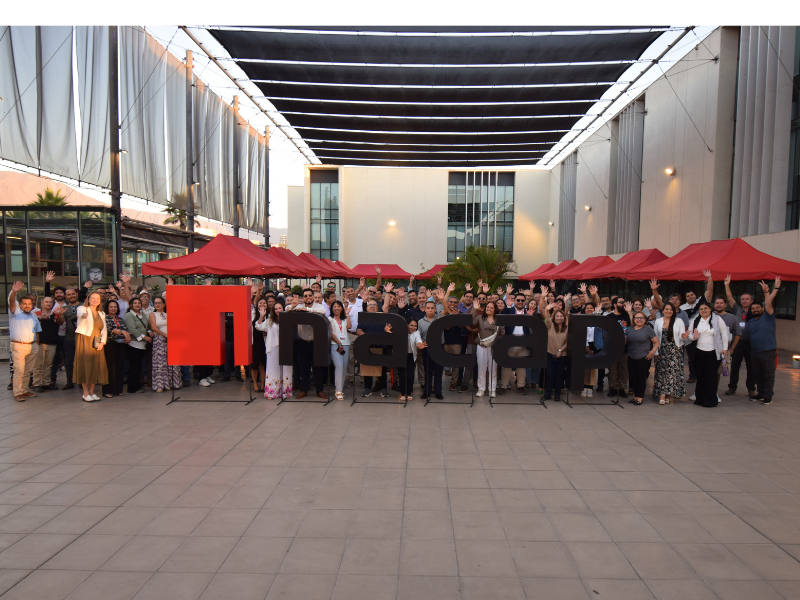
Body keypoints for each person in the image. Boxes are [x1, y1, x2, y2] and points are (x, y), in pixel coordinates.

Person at [683, 303, 728, 408]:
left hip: (713, 352)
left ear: (710, 309)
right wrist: (693, 337)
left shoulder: (717, 320)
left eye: (705, 308)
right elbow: (688, 334)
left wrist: (725, 348)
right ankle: (700, 399)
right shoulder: (695, 320)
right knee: (701, 376)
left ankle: (710, 400)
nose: (703, 310)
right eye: (701, 309)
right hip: (698, 352)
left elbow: (724, 333)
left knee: (711, 376)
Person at [286, 288, 328, 400]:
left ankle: (319, 391)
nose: (308, 297)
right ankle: (304, 390)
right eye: (305, 296)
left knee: (317, 367)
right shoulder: (298, 307)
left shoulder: (318, 307)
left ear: (313, 297)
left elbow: (323, 311)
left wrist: (308, 311)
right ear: (302, 298)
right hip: (303, 342)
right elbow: (286, 310)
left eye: (310, 295)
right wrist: (292, 306)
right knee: (304, 368)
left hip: (316, 342)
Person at [418, 282, 456, 400]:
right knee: (427, 371)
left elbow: (446, 309)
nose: (430, 310)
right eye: (428, 308)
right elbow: (418, 336)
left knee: (438, 371)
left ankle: (438, 392)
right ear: (425, 309)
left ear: (435, 309)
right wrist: (420, 342)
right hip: (426, 348)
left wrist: (442, 299)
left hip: (439, 348)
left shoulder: (439, 317)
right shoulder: (420, 322)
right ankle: (427, 391)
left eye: (432, 308)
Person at [678, 270, 715, 383]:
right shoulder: (682, 308)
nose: (690, 297)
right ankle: (693, 375)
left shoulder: (701, 302)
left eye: (692, 295)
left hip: (704, 333)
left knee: (701, 355)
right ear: (685, 298)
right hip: (689, 335)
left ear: (695, 295)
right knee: (691, 356)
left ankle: (701, 374)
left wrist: (709, 278)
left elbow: (709, 291)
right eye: (688, 296)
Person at [748, 279, 780, 405]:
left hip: (768, 351)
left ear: (762, 308)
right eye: (753, 308)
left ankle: (768, 396)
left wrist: (767, 291)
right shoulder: (750, 322)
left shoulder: (768, 316)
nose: (755, 309)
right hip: (755, 352)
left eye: (757, 307)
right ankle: (760, 394)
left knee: (768, 374)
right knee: (758, 375)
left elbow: (768, 303)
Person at [8, 282, 41, 401]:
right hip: (18, 346)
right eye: (25, 304)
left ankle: (24, 390)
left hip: (32, 346)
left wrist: (36, 345)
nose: (27, 306)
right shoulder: (15, 312)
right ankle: (17, 393)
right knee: (19, 370)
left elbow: (37, 331)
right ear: (20, 305)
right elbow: (12, 302)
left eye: (29, 304)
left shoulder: (33, 316)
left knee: (27, 371)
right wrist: (14, 292)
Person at [723, 275, 756, 397]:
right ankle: (732, 387)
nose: (745, 301)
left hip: (751, 343)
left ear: (752, 301)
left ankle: (751, 388)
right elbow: (730, 298)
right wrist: (727, 285)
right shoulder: (737, 309)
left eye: (747, 299)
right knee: (735, 365)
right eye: (743, 299)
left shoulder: (756, 311)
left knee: (751, 367)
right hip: (738, 343)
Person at [74, 291, 108, 402]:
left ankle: (92, 392)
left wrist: (102, 342)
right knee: (85, 365)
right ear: (88, 299)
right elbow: (80, 314)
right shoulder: (82, 309)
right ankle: (85, 393)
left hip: (97, 340)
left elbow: (104, 330)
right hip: (85, 339)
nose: (95, 300)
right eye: (92, 298)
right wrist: (83, 315)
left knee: (95, 365)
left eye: (97, 298)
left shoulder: (102, 313)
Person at [256, 301, 293, 400]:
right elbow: (258, 326)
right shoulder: (269, 321)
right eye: (276, 309)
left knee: (286, 369)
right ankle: (272, 392)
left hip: (286, 348)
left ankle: (285, 392)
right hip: (273, 347)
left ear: (283, 308)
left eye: (280, 308)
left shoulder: (289, 320)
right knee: (273, 369)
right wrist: (261, 316)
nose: (278, 310)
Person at [652, 302, 687, 404]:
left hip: (674, 351)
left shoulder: (678, 321)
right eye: (666, 309)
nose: (669, 311)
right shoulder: (658, 321)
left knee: (672, 373)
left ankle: (665, 395)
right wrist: (655, 352)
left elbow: (680, 336)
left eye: (671, 309)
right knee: (662, 373)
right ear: (663, 311)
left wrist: (683, 337)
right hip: (661, 350)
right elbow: (655, 338)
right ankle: (665, 394)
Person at [498, 292, 531, 396]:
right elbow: (501, 319)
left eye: (522, 300)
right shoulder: (509, 310)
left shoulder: (529, 312)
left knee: (521, 367)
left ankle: (521, 386)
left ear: (525, 302)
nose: (520, 302)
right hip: (510, 344)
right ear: (514, 301)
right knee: (506, 366)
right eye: (518, 300)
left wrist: (531, 317)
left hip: (523, 344)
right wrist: (507, 306)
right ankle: (503, 386)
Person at [357, 298, 390, 397]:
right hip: (368, 347)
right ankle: (367, 388)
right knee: (367, 367)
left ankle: (383, 388)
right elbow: (358, 331)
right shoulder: (364, 318)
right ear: (367, 308)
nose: (372, 306)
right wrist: (368, 338)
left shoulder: (382, 317)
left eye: (374, 305)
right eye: (370, 305)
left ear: (377, 307)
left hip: (382, 346)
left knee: (383, 369)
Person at [472, 300, 504, 398]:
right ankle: (481, 389)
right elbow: (470, 322)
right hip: (482, 346)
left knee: (493, 369)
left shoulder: (499, 320)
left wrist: (498, 344)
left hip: (494, 348)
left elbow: (502, 333)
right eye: (487, 307)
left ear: (495, 310)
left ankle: (492, 390)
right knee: (481, 368)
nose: (488, 309)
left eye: (491, 307)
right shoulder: (480, 317)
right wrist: (474, 309)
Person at [625, 312, 659, 406]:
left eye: (641, 318)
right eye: (637, 318)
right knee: (633, 378)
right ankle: (636, 396)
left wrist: (652, 352)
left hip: (644, 357)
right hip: (631, 356)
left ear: (645, 319)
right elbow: (625, 341)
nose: (639, 320)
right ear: (634, 319)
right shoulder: (629, 329)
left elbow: (656, 342)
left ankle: (640, 397)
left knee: (641, 378)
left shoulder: (648, 329)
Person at [149, 297, 181, 392]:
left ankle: (171, 383)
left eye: (159, 303)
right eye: (155, 303)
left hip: (171, 339)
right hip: (159, 339)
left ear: (164, 304)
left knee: (172, 361)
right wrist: (165, 335)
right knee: (161, 362)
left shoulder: (168, 314)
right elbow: (153, 327)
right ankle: (160, 385)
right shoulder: (153, 314)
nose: (157, 305)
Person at [711, 293, 741, 394]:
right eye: (717, 303)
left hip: (723, 351)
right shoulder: (709, 316)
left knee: (717, 372)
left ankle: (714, 391)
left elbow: (737, 334)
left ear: (725, 305)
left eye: (721, 303)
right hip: (709, 349)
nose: (719, 305)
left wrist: (731, 348)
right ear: (714, 305)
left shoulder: (732, 318)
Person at [102, 299, 130, 398]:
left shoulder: (120, 319)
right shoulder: (105, 318)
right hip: (110, 345)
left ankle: (118, 389)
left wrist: (126, 335)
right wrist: (122, 332)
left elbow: (125, 330)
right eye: (111, 307)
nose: (113, 308)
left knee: (120, 367)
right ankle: (108, 390)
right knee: (110, 367)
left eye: (115, 307)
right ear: (107, 308)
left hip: (121, 345)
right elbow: (110, 330)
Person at [32, 297, 60, 393]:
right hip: (39, 343)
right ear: (42, 303)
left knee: (48, 364)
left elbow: (59, 324)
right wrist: (41, 319)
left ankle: (46, 383)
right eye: (46, 302)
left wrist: (62, 315)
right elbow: (33, 327)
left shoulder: (55, 315)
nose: (48, 303)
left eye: (50, 302)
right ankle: (36, 383)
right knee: (38, 365)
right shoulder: (35, 314)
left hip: (52, 343)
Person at [123, 297, 151, 394]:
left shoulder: (142, 315)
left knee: (138, 366)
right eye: (135, 303)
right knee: (134, 366)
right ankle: (132, 388)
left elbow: (147, 326)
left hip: (142, 345)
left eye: (138, 303)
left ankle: (137, 386)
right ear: (131, 305)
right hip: (133, 344)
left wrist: (149, 332)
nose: (137, 305)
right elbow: (132, 329)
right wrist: (145, 337)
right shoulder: (128, 315)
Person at [605, 295, 630, 398]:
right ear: (615, 305)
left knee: (624, 369)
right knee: (613, 369)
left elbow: (632, 325)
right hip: (613, 347)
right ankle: (613, 388)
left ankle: (622, 388)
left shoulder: (627, 315)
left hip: (625, 347)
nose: (623, 303)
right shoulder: (609, 317)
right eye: (620, 302)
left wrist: (629, 312)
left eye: (624, 301)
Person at [542, 302, 568, 401]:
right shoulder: (550, 325)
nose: (559, 318)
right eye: (557, 316)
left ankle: (557, 395)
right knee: (549, 375)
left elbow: (568, 342)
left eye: (561, 316)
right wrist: (547, 310)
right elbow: (547, 318)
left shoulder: (567, 328)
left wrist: (560, 351)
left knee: (559, 375)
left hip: (562, 355)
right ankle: (548, 394)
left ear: (564, 317)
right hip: (550, 354)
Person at [395, 317, 423, 402]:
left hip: (411, 356)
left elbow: (418, 338)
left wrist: (419, 344)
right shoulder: (401, 331)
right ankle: (402, 393)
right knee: (402, 375)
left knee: (410, 375)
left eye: (415, 326)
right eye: (411, 325)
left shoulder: (416, 332)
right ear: (407, 325)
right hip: (400, 356)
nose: (413, 328)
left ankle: (409, 393)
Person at [328, 300, 351, 400]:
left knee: (344, 367)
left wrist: (348, 315)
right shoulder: (329, 319)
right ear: (332, 308)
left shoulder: (344, 319)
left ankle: (340, 389)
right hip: (335, 345)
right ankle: (338, 390)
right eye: (334, 307)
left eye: (339, 307)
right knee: (339, 365)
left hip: (346, 344)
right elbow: (331, 333)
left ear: (341, 308)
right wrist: (338, 343)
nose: (336, 308)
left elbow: (349, 327)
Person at [580, 302, 602, 397]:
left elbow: (600, 327)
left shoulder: (599, 319)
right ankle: (584, 387)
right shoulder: (581, 320)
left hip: (594, 345)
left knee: (592, 368)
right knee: (583, 367)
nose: (589, 309)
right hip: (583, 345)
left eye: (591, 308)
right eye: (587, 308)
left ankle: (590, 388)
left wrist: (597, 314)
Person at [250, 298, 268, 392]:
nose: (262, 304)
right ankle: (255, 385)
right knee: (254, 364)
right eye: (260, 303)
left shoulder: (269, 314)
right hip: (255, 342)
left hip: (265, 342)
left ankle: (262, 385)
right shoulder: (253, 313)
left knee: (263, 364)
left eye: (264, 303)